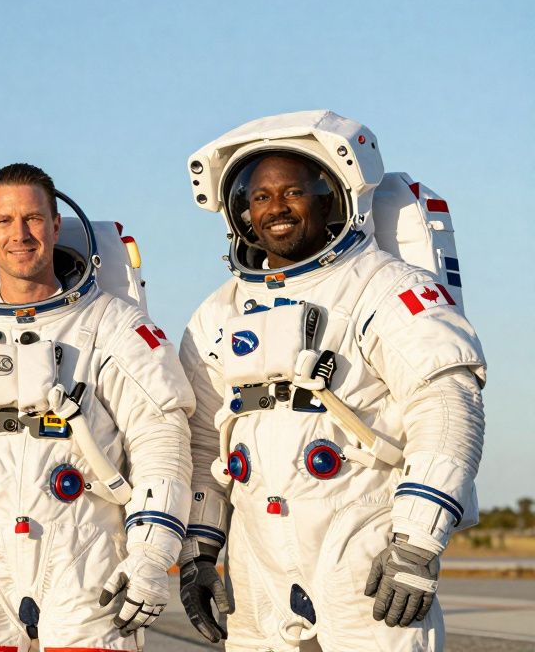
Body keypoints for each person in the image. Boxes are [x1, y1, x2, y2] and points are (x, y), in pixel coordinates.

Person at [177, 111, 485, 650]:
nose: (276, 206)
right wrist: (200, 552)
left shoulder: (387, 289)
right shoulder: (216, 314)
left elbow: (446, 409)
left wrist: (417, 543)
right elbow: (205, 441)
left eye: (294, 191)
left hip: (363, 550)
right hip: (256, 565)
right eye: (260, 195)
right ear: (242, 213)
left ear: (331, 199)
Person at [0, 163, 194, 650]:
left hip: (87, 555)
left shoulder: (114, 328)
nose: (19, 234)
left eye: (32, 219)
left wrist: (151, 555)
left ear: (54, 225)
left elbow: (161, 440)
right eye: (4, 221)